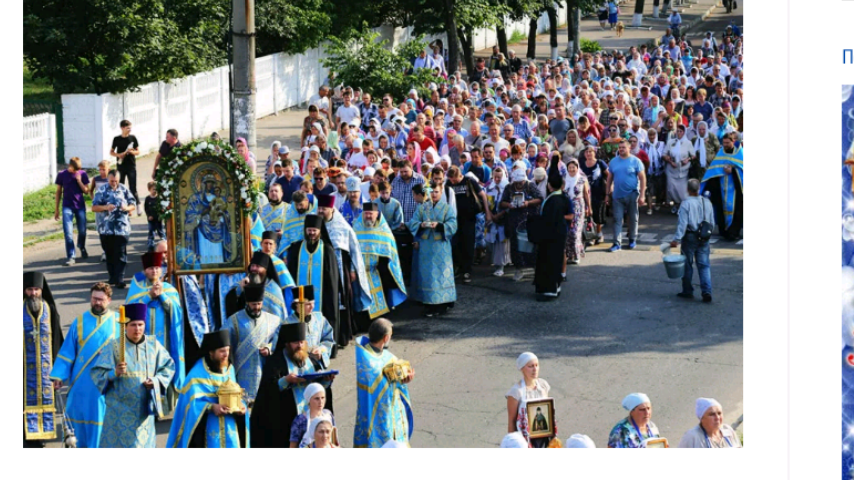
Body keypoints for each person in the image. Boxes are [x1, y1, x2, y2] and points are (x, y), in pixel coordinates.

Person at [92, 304, 175, 448]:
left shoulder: (153, 345)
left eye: (140, 325)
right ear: (125, 326)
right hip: (118, 413)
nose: (137, 329)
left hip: (143, 415)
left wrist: (156, 381)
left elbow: (168, 366)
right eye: (133, 325)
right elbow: (97, 373)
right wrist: (114, 373)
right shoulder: (114, 346)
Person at [49, 282, 118, 448]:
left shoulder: (119, 322)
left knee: (102, 422)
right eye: (94, 299)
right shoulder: (79, 322)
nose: (97, 302)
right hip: (81, 382)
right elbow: (67, 352)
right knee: (77, 426)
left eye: (101, 299)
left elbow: (128, 350)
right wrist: (58, 375)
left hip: (106, 383)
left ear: (109, 300)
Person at [251, 322, 335, 448]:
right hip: (286, 420)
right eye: (296, 343)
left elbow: (320, 389)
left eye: (302, 342)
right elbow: (266, 391)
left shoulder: (311, 360)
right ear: (287, 344)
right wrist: (286, 381)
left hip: (312, 419)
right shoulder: (275, 362)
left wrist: (327, 380)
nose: (300, 346)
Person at [166, 330, 248, 448]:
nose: (226, 355)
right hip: (207, 427)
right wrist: (211, 407)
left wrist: (241, 406)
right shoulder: (196, 374)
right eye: (222, 351)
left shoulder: (229, 369)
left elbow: (236, 396)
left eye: (228, 350)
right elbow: (189, 405)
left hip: (230, 427)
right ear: (211, 352)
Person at [126, 251, 185, 408]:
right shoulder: (137, 289)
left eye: (157, 268)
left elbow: (177, 312)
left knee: (164, 369)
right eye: (151, 268)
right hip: (144, 341)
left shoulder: (169, 288)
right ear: (145, 271)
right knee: (145, 371)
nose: (154, 271)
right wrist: (149, 296)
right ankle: (146, 405)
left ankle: (165, 406)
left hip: (165, 340)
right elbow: (129, 311)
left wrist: (162, 296)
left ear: (161, 270)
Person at [317, 194, 371, 347]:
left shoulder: (342, 226)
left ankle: (342, 335)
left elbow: (353, 249)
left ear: (331, 209)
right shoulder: (316, 224)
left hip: (341, 270)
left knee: (342, 300)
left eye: (324, 208)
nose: (321, 211)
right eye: (319, 208)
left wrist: (353, 269)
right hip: (322, 270)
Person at [354, 319, 414, 447]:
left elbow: (394, 383)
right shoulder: (366, 361)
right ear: (386, 338)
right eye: (391, 335)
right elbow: (378, 383)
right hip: (377, 417)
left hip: (392, 414)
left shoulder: (388, 356)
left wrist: (403, 380)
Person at [287, 215, 344, 351]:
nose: (311, 233)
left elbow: (332, 278)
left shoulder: (327, 250)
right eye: (309, 230)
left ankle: (325, 349)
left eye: (314, 230)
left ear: (320, 231)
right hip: (300, 295)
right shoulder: (297, 249)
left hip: (323, 296)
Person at [23, 272, 63, 447]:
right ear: (25, 290)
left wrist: (59, 372)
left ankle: (41, 437)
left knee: (46, 402)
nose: (33, 293)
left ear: (41, 290)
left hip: (46, 370)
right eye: (30, 289)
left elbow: (57, 342)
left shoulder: (50, 310)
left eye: (36, 289)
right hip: (23, 371)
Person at [224, 283, 281, 405]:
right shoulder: (234, 321)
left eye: (259, 304)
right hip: (242, 372)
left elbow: (279, 339)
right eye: (254, 304)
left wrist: (269, 348)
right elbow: (225, 344)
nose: (257, 307)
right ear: (247, 303)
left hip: (264, 371)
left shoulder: (273, 321)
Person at [353, 203, 407, 326]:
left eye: (370, 214)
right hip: (359, 272)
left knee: (381, 295)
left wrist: (381, 265)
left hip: (377, 271)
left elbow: (390, 252)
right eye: (366, 213)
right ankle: (362, 323)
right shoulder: (356, 228)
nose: (368, 216)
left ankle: (379, 323)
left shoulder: (384, 230)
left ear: (377, 214)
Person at [408, 183, 458, 317]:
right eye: (432, 192)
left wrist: (440, 225)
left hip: (441, 246)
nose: (434, 194)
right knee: (427, 275)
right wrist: (421, 224)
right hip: (426, 246)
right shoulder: (422, 208)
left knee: (441, 274)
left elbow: (453, 224)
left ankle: (442, 304)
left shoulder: (447, 208)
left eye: (436, 192)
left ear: (441, 192)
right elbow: (412, 222)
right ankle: (428, 304)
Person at [670, 179, 716, 303]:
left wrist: (676, 239)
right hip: (704, 237)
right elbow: (712, 221)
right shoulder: (707, 202)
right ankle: (706, 291)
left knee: (687, 265)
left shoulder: (686, 203)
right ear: (699, 188)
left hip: (690, 236)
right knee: (704, 265)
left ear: (688, 189)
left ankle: (687, 290)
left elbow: (682, 224)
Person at [530, 172, 571, 300]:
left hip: (551, 235)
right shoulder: (561, 196)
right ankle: (556, 286)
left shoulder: (554, 200)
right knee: (556, 260)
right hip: (558, 233)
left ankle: (550, 290)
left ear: (549, 185)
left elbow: (550, 219)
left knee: (550, 261)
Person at [92, 170, 135, 288]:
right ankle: (112, 277)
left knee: (121, 252)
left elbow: (133, 204)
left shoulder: (124, 189)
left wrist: (127, 208)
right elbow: (94, 207)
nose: (114, 183)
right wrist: (106, 207)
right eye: (112, 181)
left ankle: (120, 278)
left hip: (122, 228)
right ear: (108, 179)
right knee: (110, 253)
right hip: (106, 229)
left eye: (116, 181)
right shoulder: (102, 190)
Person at [447, 167, 491, 284]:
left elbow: (483, 195)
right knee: (455, 244)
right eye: (451, 180)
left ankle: (467, 270)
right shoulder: (448, 183)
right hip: (454, 219)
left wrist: (487, 212)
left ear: (459, 175)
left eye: (454, 180)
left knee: (468, 244)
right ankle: (458, 268)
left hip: (469, 218)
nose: (452, 182)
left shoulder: (469, 181)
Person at [499, 168, 543, 281]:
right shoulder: (509, 187)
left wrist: (528, 203)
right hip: (514, 220)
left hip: (529, 219)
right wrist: (509, 205)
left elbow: (540, 199)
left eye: (521, 182)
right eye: (517, 182)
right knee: (516, 246)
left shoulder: (530, 186)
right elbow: (502, 202)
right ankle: (518, 269)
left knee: (532, 244)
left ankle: (535, 269)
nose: (519, 184)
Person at [605, 140, 646, 252]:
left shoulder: (636, 161)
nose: (621, 149)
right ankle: (616, 243)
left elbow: (642, 178)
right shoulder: (613, 162)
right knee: (617, 219)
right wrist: (607, 194)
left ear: (629, 148)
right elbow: (609, 179)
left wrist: (642, 195)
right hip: (617, 196)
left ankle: (632, 239)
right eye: (620, 147)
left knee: (633, 218)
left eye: (623, 147)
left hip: (632, 194)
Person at [282, 285, 336, 371]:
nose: (312, 307)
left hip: (316, 365)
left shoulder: (319, 318)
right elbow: (282, 348)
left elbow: (328, 339)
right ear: (297, 305)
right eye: (308, 304)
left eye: (313, 303)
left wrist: (321, 350)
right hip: (296, 367)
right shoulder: (287, 323)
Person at [506, 352, 554, 447]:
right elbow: (511, 421)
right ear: (522, 368)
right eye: (530, 366)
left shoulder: (543, 385)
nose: (535, 369)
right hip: (524, 440)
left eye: (537, 365)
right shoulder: (516, 392)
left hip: (544, 436)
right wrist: (511, 444)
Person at [700, 135, 743, 241]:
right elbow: (713, 169)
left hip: (736, 190)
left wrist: (733, 171)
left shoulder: (740, 154)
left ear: (733, 141)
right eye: (723, 143)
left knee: (737, 210)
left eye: (727, 143)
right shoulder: (721, 152)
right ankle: (724, 231)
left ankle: (733, 232)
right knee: (720, 208)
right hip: (722, 188)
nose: (725, 145)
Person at [226, 251, 290, 320]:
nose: (254, 269)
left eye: (258, 266)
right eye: (252, 265)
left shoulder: (274, 288)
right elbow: (230, 303)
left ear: (265, 269)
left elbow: (279, 316)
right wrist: (240, 289)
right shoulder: (243, 283)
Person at [54, 156, 91, 266]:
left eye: (78, 169)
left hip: (79, 206)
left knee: (82, 230)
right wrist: (56, 209)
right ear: (70, 165)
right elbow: (58, 192)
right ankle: (71, 256)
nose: (77, 171)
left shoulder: (82, 174)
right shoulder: (62, 175)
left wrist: (79, 180)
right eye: (75, 169)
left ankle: (81, 245)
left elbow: (86, 191)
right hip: (67, 206)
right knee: (68, 233)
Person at [563, 158, 591, 267]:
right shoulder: (564, 179)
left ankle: (577, 255)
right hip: (567, 208)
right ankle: (569, 255)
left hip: (578, 207)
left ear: (577, 167)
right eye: (569, 167)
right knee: (568, 232)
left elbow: (586, 194)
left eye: (573, 167)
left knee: (575, 232)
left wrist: (589, 207)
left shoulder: (582, 179)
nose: (571, 170)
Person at [109, 120, 141, 215]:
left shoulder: (133, 138)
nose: (129, 130)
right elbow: (111, 152)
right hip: (121, 166)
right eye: (128, 128)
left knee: (133, 188)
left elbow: (138, 151)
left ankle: (137, 206)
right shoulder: (116, 139)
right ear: (122, 128)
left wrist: (132, 152)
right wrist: (118, 155)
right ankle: (124, 207)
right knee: (121, 187)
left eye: (130, 128)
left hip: (131, 166)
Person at [663, 124, 696, 214]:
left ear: (684, 132)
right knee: (671, 189)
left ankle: (681, 206)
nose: (679, 133)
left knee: (682, 191)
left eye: (681, 131)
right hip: (672, 169)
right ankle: (675, 205)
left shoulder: (688, 143)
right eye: (677, 131)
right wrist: (670, 161)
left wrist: (687, 159)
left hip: (683, 170)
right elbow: (664, 154)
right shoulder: (671, 141)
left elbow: (693, 155)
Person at [290, 382, 335, 448]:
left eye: (323, 398)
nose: (321, 402)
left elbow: (334, 440)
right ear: (309, 400)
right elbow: (293, 446)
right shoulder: (300, 420)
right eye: (317, 398)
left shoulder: (328, 415)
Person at [579, 147, 609, 245]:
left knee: (598, 214)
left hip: (599, 192)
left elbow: (609, 175)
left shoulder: (600, 163)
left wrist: (609, 188)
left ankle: (599, 233)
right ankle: (590, 235)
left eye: (590, 151)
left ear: (594, 153)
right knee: (588, 214)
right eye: (586, 152)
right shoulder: (582, 165)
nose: (588, 153)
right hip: (586, 193)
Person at [278, 190, 318, 257]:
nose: (298, 207)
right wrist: (285, 255)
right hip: (294, 251)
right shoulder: (292, 213)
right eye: (296, 205)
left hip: (312, 251)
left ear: (307, 200)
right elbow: (286, 235)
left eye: (301, 204)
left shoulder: (316, 212)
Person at [259, 231, 297, 296]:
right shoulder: (254, 260)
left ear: (275, 246)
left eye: (270, 244)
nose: (268, 247)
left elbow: (288, 286)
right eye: (266, 243)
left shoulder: (279, 263)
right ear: (261, 244)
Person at [142, 181, 165, 251]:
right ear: (149, 190)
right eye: (153, 189)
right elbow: (146, 208)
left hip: (158, 218)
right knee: (151, 231)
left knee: (160, 231)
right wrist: (149, 215)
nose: (154, 191)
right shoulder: (148, 199)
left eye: (155, 189)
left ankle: (164, 242)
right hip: (151, 219)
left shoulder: (159, 198)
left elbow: (162, 207)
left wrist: (161, 213)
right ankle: (150, 245)